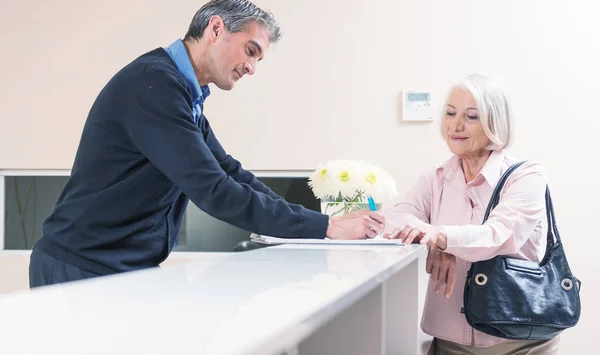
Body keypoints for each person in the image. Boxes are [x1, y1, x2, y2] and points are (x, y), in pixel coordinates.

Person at [29, 0, 385, 288]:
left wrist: (314, 224)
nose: (251, 67)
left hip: (115, 267)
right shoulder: (154, 86)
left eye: (258, 59)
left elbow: (229, 171)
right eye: (250, 50)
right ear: (216, 29)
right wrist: (326, 227)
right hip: (79, 267)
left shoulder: (184, 94)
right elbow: (213, 190)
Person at [384, 74, 559, 355]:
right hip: (455, 342)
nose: (455, 125)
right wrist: (437, 243)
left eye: (471, 116)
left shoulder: (526, 176)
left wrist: (441, 236)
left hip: (524, 339)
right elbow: (397, 219)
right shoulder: (434, 179)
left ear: (495, 122)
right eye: (450, 113)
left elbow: (499, 235)